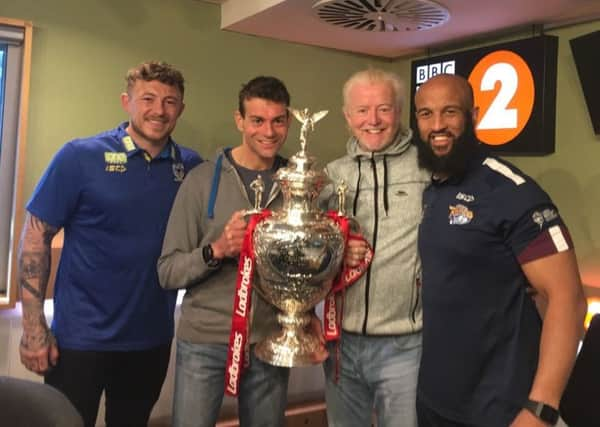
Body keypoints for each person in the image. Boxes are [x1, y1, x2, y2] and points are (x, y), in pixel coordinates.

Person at [17, 61, 202, 427]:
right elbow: (36, 236)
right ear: (126, 101)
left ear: (180, 108)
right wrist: (33, 328)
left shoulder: (192, 167)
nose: (159, 110)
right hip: (80, 340)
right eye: (147, 98)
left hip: (151, 339)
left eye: (170, 101)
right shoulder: (79, 157)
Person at [414, 73, 587, 427]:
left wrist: (541, 408)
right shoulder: (432, 189)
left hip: (498, 409)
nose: (437, 125)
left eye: (449, 112)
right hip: (436, 401)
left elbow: (567, 298)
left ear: (472, 116)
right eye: (426, 114)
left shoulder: (511, 191)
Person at [157, 76, 293, 427]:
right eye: (258, 120)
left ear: (288, 122)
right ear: (239, 120)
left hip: (269, 339)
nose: (269, 131)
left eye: (278, 120)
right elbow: (168, 271)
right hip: (206, 340)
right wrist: (216, 250)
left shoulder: (299, 185)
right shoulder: (201, 181)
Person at [321, 68, 430, 427]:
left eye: (383, 108)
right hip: (341, 343)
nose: (373, 120)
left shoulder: (427, 169)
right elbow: (311, 251)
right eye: (362, 110)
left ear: (399, 112)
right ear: (347, 115)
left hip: (406, 345)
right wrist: (334, 247)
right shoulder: (331, 176)